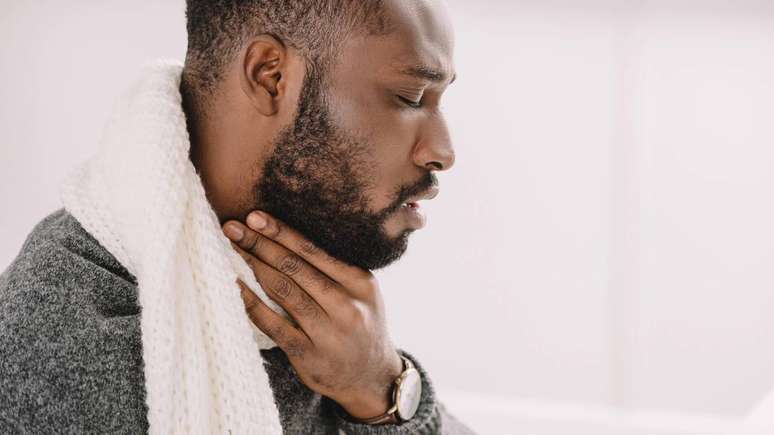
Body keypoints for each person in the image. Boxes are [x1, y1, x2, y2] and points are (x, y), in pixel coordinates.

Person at [0, 0, 474, 433]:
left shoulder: (326, 310)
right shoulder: (64, 339)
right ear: (270, 76)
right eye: (411, 97)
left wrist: (380, 388)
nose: (443, 152)